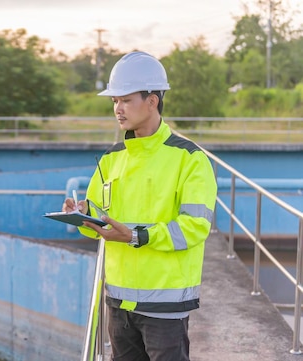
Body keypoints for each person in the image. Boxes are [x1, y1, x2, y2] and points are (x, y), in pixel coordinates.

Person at [63, 51, 217, 361]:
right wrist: (83, 216)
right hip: (119, 302)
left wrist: (137, 236)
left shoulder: (189, 159)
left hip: (165, 304)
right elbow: (103, 225)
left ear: (152, 101)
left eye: (126, 100)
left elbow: (194, 228)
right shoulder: (111, 158)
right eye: (114, 102)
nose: (118, 109)